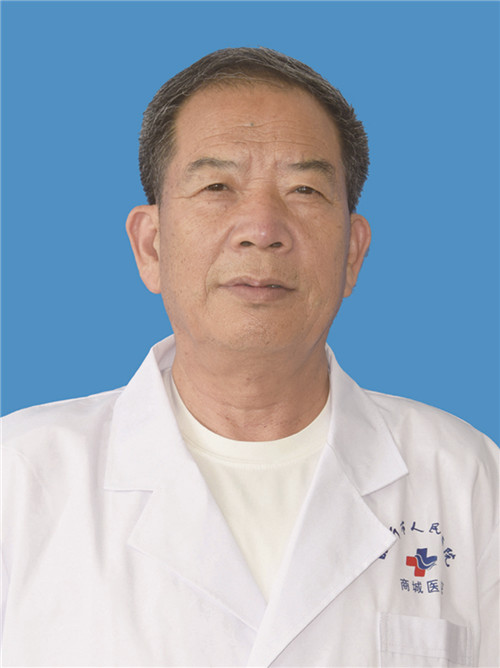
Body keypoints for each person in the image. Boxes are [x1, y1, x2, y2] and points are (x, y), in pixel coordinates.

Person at [1, 47, 498, 668]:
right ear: (151, 246)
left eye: (304, 189)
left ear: (352, 252)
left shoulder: (467, 478)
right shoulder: (19, 478)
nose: (262, 228)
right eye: (217, 187)